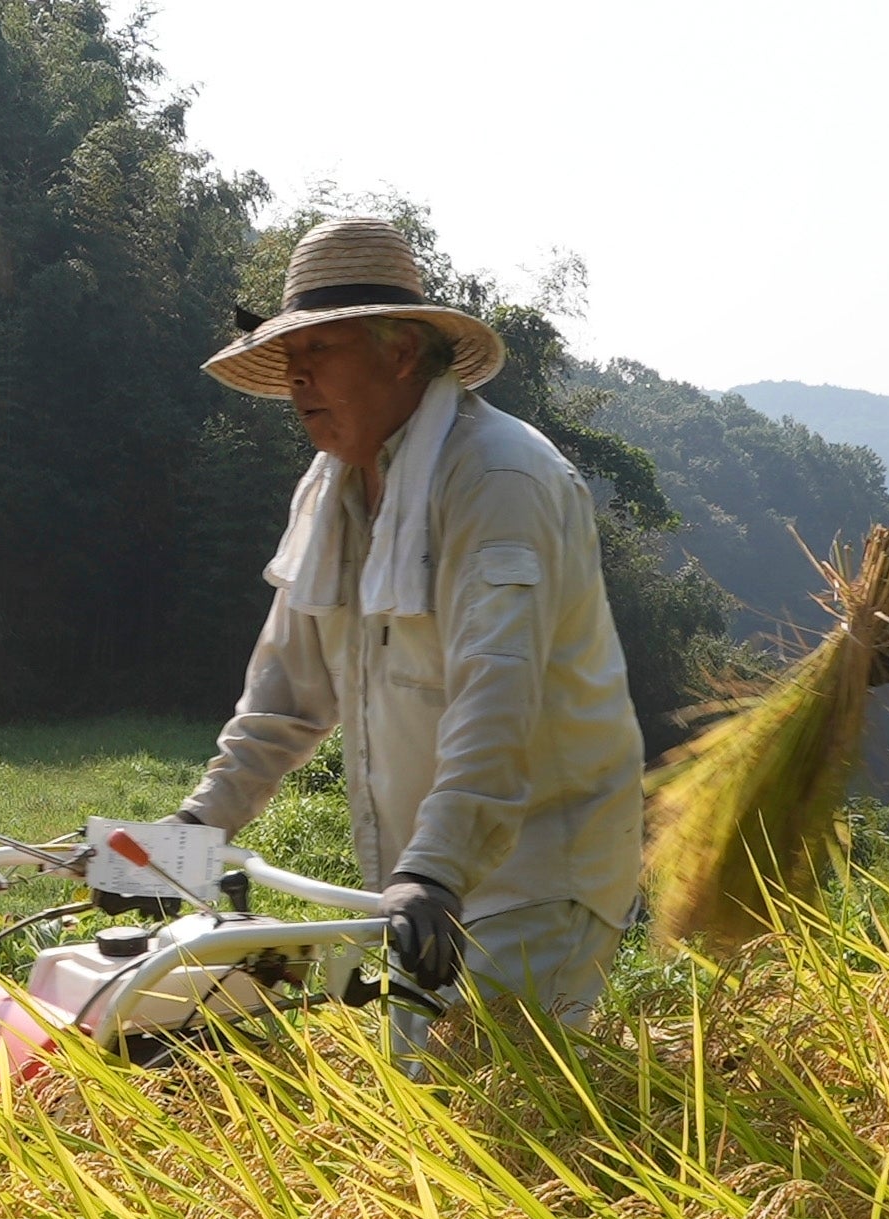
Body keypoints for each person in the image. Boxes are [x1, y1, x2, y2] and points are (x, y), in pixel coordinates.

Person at [177, 217, 644, 1029]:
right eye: (288, 356)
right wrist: (190, 830)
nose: (296, 377)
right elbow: (284, 695)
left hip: (534, 871)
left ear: (398, 353)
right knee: (424, 1089)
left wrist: (432, 870)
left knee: (489, 1099)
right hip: (425, 884)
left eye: (318, 350)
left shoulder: (497, 479)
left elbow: (496, 691)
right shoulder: (332, 493)